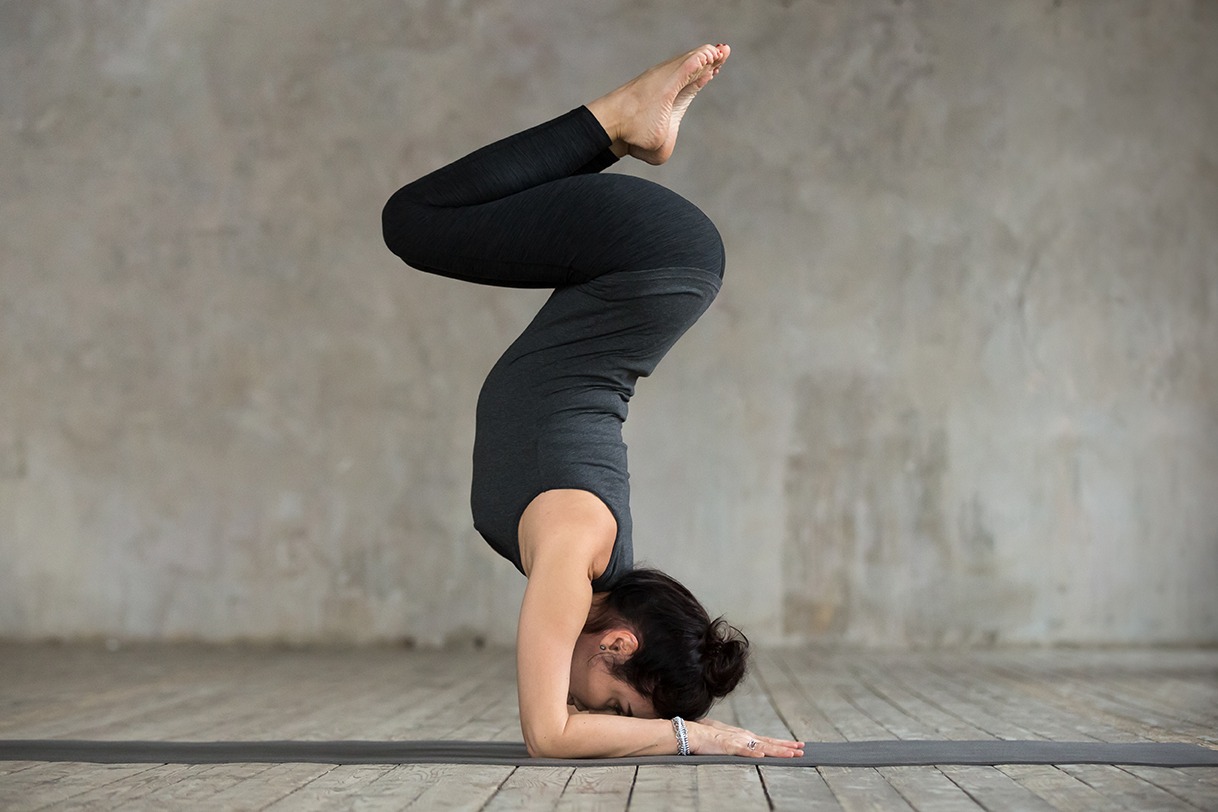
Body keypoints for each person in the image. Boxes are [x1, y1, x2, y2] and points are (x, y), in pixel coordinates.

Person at [383, 44, 804, 759]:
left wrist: (671, 726)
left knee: (426, 217)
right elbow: (550, 735)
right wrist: (696, 741)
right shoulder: (574, 553)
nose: (585, 707)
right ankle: (620, 118)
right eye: (613, 703)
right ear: (618, 642)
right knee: (414, 219)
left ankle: (623, 127)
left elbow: (562, 724)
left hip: (654, 266)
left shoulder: (590, 556)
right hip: (653, 258)